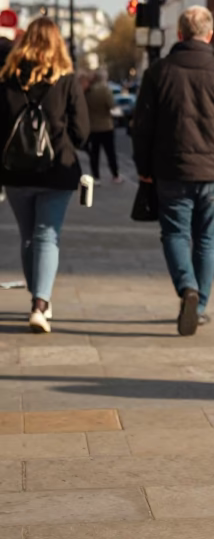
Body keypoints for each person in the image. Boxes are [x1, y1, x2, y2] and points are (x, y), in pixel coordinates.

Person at [132, 6, 214, 336]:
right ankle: (198, 306)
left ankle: (186, 287)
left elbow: (141, 126)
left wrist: (143, 169)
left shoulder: (158, 72)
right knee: (206, 240)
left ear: (179, 34)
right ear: (210, 34)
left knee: (174, 233)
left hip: (171, 169)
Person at [0, 17, 89, 333]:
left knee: (28, 236)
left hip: (15, 172)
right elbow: (82, 130)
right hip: (57, 171)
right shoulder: (66, 79)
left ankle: (38, 299)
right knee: (47, 235)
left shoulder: (8, 78)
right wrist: (65, 143)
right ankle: (40, 303)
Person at [85, 68, 121, 184]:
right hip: (106, 126)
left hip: (92, 126)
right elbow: (111, 106)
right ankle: (115, 175)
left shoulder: (89, 91)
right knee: (110, 153)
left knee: (94, 153)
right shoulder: (105, 90)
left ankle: (96, 177)